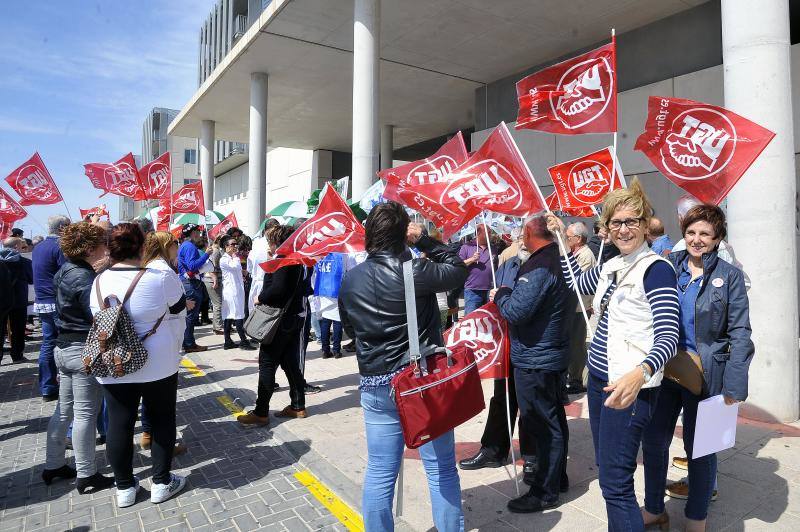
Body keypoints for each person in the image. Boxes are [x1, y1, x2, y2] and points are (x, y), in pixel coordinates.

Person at [546, 177, 680, 530]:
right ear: (606, 227)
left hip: (628, 386)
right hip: (600, 381)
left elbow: (669, 334)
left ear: (644, 224)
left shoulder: (656, 270)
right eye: (616, 222)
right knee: (610, 472)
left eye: (631, 221)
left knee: (615, 484)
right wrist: (561, 240)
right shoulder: (611, 266)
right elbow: (577, 285)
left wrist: (640, 374)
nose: (623, 229)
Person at [338, 202, 468, 531]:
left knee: (381, 471)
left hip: (375, 385)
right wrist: (424, 240)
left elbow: (350, 329)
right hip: (418, 382)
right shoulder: (415, 271)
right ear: (402, 235)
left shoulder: (351, 278)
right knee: (440, 470)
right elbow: (457, 267)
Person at [641, 204, 754, 532]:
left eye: (705, 233)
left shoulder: (729, 277)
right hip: (666, 370)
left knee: (703, 451)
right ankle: (653, 508)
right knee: (653, 440)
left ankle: (696, 519)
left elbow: (741, 333)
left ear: (718, 237)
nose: (696, 239)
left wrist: (735, 385)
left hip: (710, 377)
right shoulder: (667, 266)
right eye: (691, 232)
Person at [91, 223, 188, 508]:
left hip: (115, 360)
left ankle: (124, 488)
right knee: (161, 419)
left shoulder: (98, 281)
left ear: (110, 248)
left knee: (119, 423)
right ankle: (161, 481)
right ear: (142, 247)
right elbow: (180, 307)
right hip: (158, 359)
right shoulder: (158, 277)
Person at [490, 216, 575, 513]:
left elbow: (516, 311)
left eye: (521, 231)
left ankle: (544, 490)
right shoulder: (557, 260)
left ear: (528, 232)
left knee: (542, 424)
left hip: (537, 358)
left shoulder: (541, 264)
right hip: (547, 354)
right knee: (553, 421)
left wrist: (501, 293)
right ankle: (556, 478)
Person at [42, 222, 114, 494]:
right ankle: (87, 474)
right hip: (81, 349)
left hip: (63, 348)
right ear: (89, 248)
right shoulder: (83, 277)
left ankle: (54, 464)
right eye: (101, 243)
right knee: (85, 413)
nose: (106, 248)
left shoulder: (65, 270)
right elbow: (95, 314)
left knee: (64, 410)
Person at [459, 238, 537, 484]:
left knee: (530, 405)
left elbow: (523, 306)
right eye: (521, 234)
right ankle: (493, 449)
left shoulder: (542, 266)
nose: (523, 240)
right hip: (506, 342)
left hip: (532, 347)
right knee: (502, 398)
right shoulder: (509, 263)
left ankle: (533, 458)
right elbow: (497, 300)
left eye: (529, 233)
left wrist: (504, 297)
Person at [237, 225, 309, 426]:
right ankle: (298, 405)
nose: (269, 244)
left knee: (267, 364)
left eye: (271, 240)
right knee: (290, 363)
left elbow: (276, 289)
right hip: (293, 318)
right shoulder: (298, 260)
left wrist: (261, 297)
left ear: (278, 242)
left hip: (278, 320)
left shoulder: (282, 261)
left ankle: (261, 412)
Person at [138, 231, 189, 457]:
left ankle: (148, 433)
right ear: (166, 246)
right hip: (165, 336)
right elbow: (176, 306)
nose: (177, 248)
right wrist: (185, 302)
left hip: (150, 336)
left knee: (149, 393)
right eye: (175, 244)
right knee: (164, 399)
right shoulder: (163, 271)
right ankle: (163, 445)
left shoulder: (145, 267)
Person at [33, 214, 70, 400]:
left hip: (42, 301)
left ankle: (47, 386)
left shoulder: (39, 247)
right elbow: (67, 274)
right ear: (62, 228)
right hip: (56, 301)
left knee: (48, 343)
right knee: (65, 343)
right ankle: (64, 384)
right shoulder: (59, 247)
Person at [565, 222, 596, 394]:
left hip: (579, 307)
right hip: (570, 307)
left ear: (578, 239)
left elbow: (578, 281)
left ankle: (576, 380)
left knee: (576, 345)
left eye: (568, 237)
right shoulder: (574, 252)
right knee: (569, 343)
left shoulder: (585, 255)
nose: (566, 240)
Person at [177, 224, 210, 353]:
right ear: (192, 233)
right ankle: (190, 344)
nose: (199, 234)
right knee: (191, 317)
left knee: (189, 316)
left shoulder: (184, 245)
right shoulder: (190, 246)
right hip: (191, 283)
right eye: (197, 232)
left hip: (187, 282)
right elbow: (192, 265)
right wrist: (206, 254)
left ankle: (187, 342)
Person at [0, 237, 33, 364]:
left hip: (2, 300)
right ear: (16, 247)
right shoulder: (24, 262)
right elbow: (31, 279)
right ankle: (17, 354)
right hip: (19, 300)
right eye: (21, 246)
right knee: (18, 329)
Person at [219, 235, 254, 350]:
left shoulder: (231, 258)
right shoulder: (225, 259)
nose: (235, 246)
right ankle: (243, 341)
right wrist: (235, 256)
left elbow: (236, 269)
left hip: (236, 289)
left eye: (236, 244)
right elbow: (235, 266)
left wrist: (243, 272)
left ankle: (227, 341)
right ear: (226, 246)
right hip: (232, 291)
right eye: (232, 244)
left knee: (229, 316)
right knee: (238, 315)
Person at [458, 224, 496, 315]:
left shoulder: (492, 248)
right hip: (472, 290)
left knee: (487, 318)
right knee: (472, 318)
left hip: (489, 290)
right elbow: (458, 266)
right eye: (488, 233)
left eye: (490, 233)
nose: (490, 235)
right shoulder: (466, 247)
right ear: (478, 233)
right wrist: (472, 259)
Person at [314, 252, 346, 359]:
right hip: (336, 289)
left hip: (322, 289)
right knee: (337, 321)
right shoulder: (341, 254)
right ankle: (336, 350)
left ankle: (325, 350)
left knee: (325, 320)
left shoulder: (320, 253)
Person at [202, 235, 225, 334]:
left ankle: (219, 325)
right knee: (217, 303)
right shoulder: (215, 251)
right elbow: (213, 266)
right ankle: (218, 327)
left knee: (219, 303)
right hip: (212, 279)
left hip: (215, 278)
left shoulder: (218, 250)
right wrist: (215, 279)